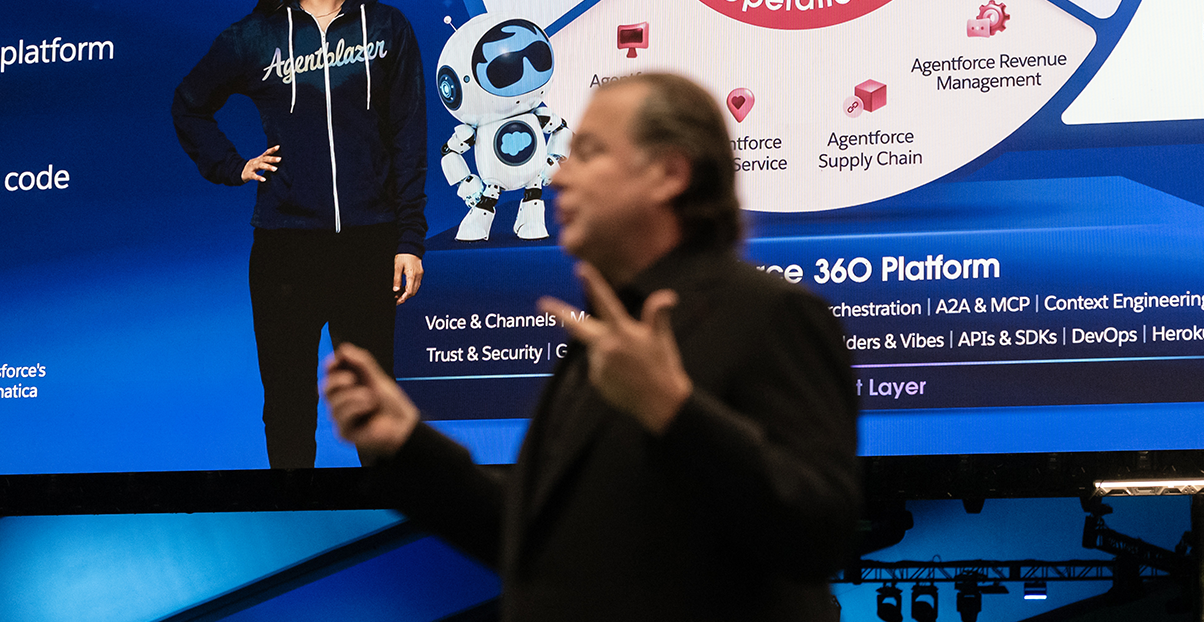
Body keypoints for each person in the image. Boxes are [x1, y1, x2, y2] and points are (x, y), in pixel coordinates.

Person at [321, 73, 858, 619]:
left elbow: (818, 532)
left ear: (669, 174)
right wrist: (406, 442)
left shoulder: (768, 312)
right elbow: (543, 549)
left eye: (589, 153)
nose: (558, 175)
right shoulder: (605, 330)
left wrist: (673, 409)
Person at [173, 0, 427, 469]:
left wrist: (409, 240)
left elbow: (409, 140)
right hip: (286, 249)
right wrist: (232, 166)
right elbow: (189, 103)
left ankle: (384, 532)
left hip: (369, 244)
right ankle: (296, 518)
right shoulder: (255, 36)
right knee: (287, 405)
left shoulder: (388, 30)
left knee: (373, 410)